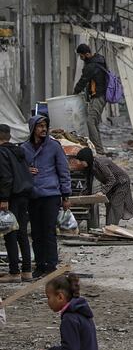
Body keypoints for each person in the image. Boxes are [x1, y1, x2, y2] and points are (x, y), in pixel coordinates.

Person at [22, 115, 70, 278]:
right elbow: (18, 169)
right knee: (36, 232)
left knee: (49, 231)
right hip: (33, 196)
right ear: (33, 128)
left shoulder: (54, 146)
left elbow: (63, 170)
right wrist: (26, 171)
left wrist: (66, 195)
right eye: (40, 126)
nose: (43, 129)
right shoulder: (24, 148)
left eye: (45, 126)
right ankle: (40, 265)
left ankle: (51, 265)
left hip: (51, 194)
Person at [0, 124, 34, 283]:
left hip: (12, 198)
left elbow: (6, 178)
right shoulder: (18, 151)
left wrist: (4, 199)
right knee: (22, 234)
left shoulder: (2, 152)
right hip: (24, 196)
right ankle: (27, 271)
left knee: (10, 234)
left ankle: (14, 272)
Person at [73, 148, 133, 227]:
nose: (80, 163)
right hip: (112, 185)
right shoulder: (90, 167)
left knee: (115, 205)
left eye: (81, 161)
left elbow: (112, 179)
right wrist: (82, 195)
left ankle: (112, 228)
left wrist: (102, 191)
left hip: (121, 183)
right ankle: (109, 227)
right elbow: (88, 182)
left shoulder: (100, 163)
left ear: (86, 159)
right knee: (108, 205)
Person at [40, 273, 98, 350]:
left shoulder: (69, 319)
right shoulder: (83, 312)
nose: (48, 302)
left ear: (60, 297)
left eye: (49, 297)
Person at [73, 44, 108, 155]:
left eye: (81, 56)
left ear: (87, 54)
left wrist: (75, 92)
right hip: (99, 96)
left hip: (99, 96)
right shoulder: (99, 60)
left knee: (90, 121)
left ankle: (98, 150)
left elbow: (83, 80)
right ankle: (99, 148)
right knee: (94, 122)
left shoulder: (92, 66)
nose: (81, 58)